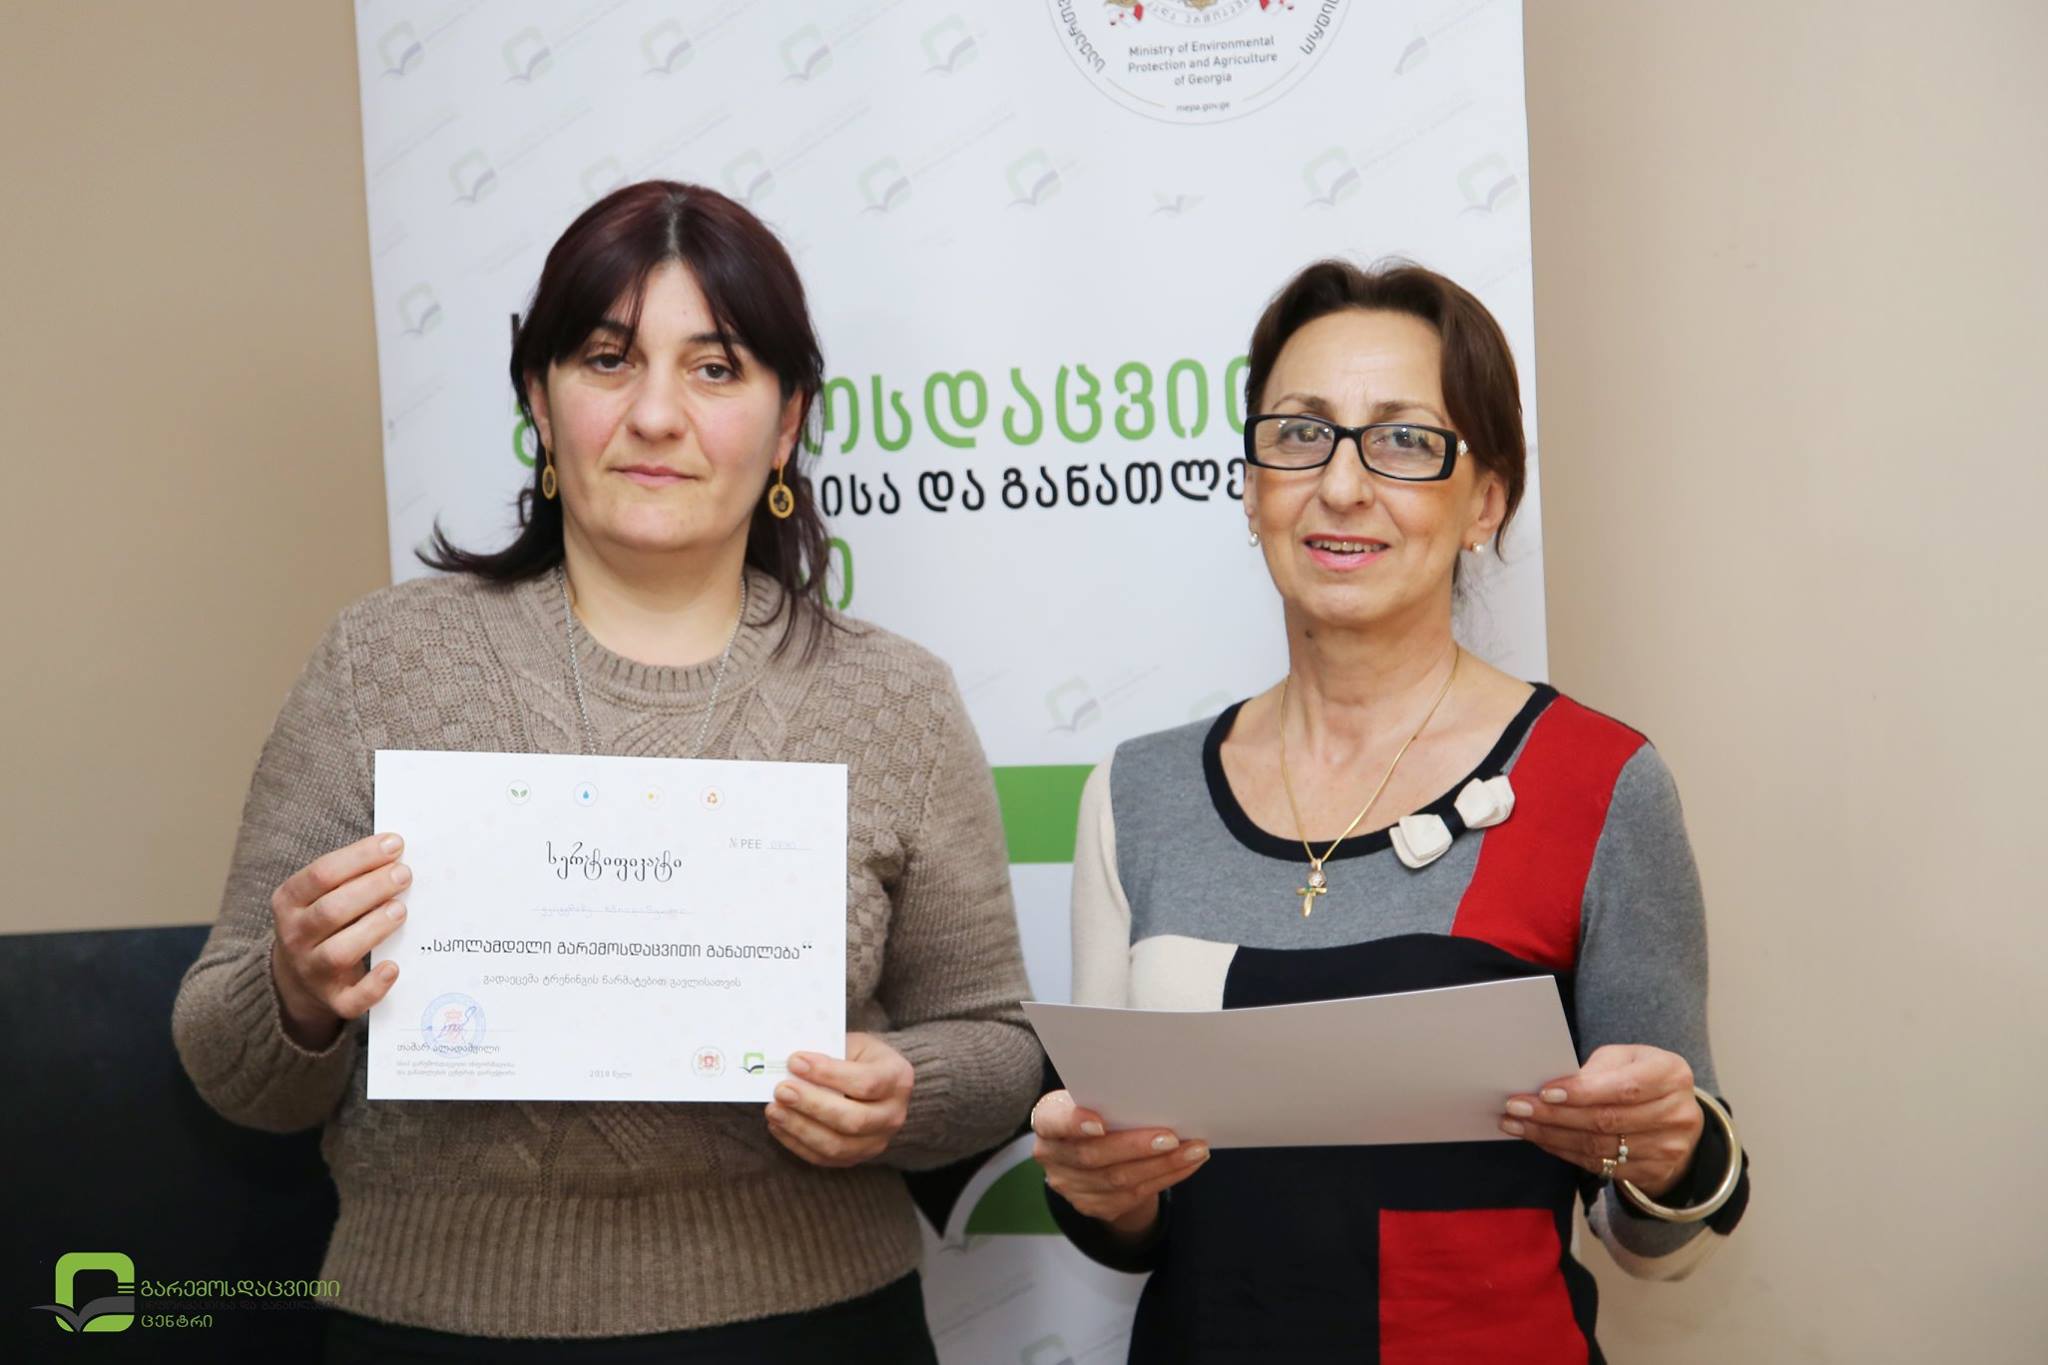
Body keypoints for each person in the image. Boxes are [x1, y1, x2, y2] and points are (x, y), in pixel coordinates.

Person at [171, 180, 1040, 1364]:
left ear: (787, 423)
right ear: (539, 398)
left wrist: (907, 1087)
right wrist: (294, 993)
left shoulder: (893, 698)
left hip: (814, 1324)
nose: (656, 415)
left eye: (715, 368)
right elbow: (229, 1069)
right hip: (433, 1326)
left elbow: (996, 1044)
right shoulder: (382, 661)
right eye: (606, 359)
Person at [1030, 259, 1752, 1362]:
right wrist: (1100, 1186)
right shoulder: (1138, 792)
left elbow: (1657, 1237)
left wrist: (1667, 1152)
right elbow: (1132, 1222)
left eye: (1405, 441)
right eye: (1299, 433)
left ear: (1486, 501)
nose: (1341, 485)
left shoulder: (1597, 782)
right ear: (1250, 485)